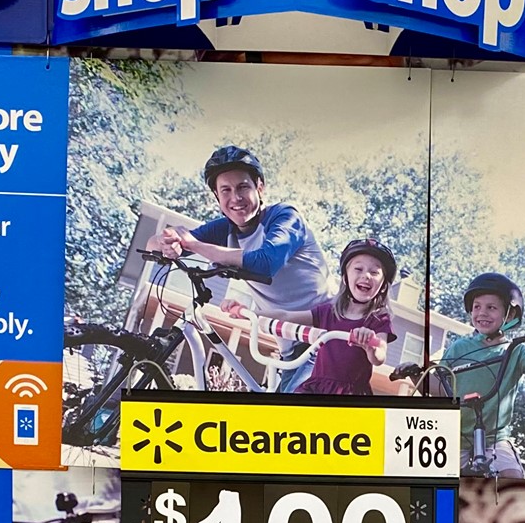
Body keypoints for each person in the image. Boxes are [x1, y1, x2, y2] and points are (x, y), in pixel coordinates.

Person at [159, 145, 329, 322]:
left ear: (259, 188)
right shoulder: (224, 228)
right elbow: (153, 245)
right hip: (282, 331)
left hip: (327, 327)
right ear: (217, 195)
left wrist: (193, 244)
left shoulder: (285, 217)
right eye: (226, 190)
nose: (236, 198)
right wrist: (169, 241)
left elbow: (265, 263)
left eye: (243, 187)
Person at [438, 274, 525, 479]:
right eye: (477, 307)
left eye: (491, 307)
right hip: (457, 435)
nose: (482, 312)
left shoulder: (515, 349)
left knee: (512, 478)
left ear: (509, 315)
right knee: (443, 481)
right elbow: (438, 386)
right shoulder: (459, 348)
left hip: (495, 437)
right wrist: (414, 374)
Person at [299, 240, 412, 397]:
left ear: (383, 286)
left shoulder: (378, 319)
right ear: (345, 278)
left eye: (374, 272)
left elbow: (380, 355)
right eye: (358, 269)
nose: (366, 275)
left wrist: (371, 347)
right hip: (316, 388)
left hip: (350, 393)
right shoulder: (328, 312)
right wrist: (262, 312)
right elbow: (287, 316)